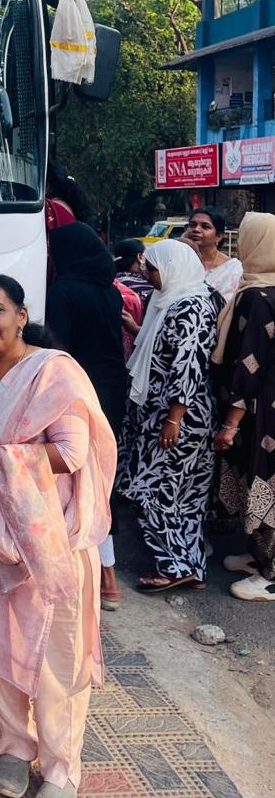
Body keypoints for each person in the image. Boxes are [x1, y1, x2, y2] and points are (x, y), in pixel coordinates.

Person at [0, 274, 116, 798]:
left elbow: (73, 452)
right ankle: (15, 746)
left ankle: (62, 767)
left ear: (21, 314)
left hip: (48, 539)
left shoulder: (53, 372)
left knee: (57, 654)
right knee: (2, 643)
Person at [117, 240, 218, 592]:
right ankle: (191, 567)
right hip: (167, 414)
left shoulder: (191, 307)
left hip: (178, 418)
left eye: (153, 268)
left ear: (173, 268)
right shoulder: (172, 300)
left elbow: (188, 365)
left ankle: (174, 566)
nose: (147, 274)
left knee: (155, 491)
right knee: (182, 496)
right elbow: (160, 349)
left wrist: (174, 418)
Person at [46, 223, 128, 612]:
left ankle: (95, 574)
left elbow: (55, 348)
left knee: (75, 482)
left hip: (77, 393)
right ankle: (108, 576)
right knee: (101, 477)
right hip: (111, 391)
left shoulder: (62, 291)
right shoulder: (110, 292)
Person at [211, 212, 275, 601]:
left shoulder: (255, 298)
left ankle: (271, 574)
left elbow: (248, 364)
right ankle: (258, 556)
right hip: (265, 407)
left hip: (259, 411)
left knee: (263, 478)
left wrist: (231, 423)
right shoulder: (264, 290)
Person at [183, 207, 242, 304]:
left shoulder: (233, 269)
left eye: (205, 227)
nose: (196, 229)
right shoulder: (179, 263)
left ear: (218, 236)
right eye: (192, 225)